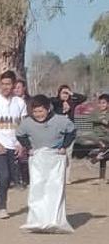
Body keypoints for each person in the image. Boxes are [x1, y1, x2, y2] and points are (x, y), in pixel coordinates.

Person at [16, 95, 76, 233]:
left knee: (55, 189)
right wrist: (28, 147)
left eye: (41, 111)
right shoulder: (27, 122)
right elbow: (20, 135)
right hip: (37, 158)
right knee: (38, 189)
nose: (38, 115)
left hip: (55, 158)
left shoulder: (60, 120)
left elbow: (72, 132)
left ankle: (55, 220)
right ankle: (37, 220)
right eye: (35, 112)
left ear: (48, 109)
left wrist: (64, 147)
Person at [0, 70, 27, 219]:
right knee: (3, 176)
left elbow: (23, 125)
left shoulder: (20, 103)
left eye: (8, 84)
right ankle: (0, 207)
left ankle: (1, 203)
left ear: (14, 85)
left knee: (9, 177)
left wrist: (21, 144)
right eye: (2, 84)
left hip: (14, 144)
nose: (5, 87)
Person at [51, 85, 87, 184]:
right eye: (63, 93)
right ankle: (57, 176)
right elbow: (51, 100)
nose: (65, 95)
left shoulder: (72, 102)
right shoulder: (56, 103)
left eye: (67, 93)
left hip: (70, 133)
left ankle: (66, 178)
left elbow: (83, 98)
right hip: (58, 133)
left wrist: (71, 94)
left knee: (68, 155)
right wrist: (61, 100)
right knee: (57, 155)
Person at [14, 78, 31, 187]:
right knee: (18, 156)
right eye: (14, 88)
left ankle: (28, 178)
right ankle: (19, 178)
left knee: (28, 156)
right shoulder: (11, 102)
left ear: (24, 88)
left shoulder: (31, 101)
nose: (16, 90)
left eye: (19, 87)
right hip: (15, 131)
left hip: (29, 131)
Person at [86, 93, 109, 164]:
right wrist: (102, 120)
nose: (101, 105)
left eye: (104, 103)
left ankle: (100, 155)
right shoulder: (95, 113)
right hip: (98, 137)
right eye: (100, 103)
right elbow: (90, 118)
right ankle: (101, 154)